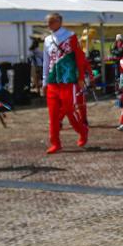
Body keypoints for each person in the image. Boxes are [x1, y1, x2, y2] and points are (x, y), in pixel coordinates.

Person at [41, 12, 91, 153]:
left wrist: (81, 78)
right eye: (47, 22)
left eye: (51, 21)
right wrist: (44, 82)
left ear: (59, 21)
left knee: (69, 110)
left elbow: (79, 58)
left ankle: (82, 131)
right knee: (53, 114)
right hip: (52, 80)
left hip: (67, 80)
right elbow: (46, 61)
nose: (48, 24)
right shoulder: (47, 40)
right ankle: (55, 143)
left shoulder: (71, 36)